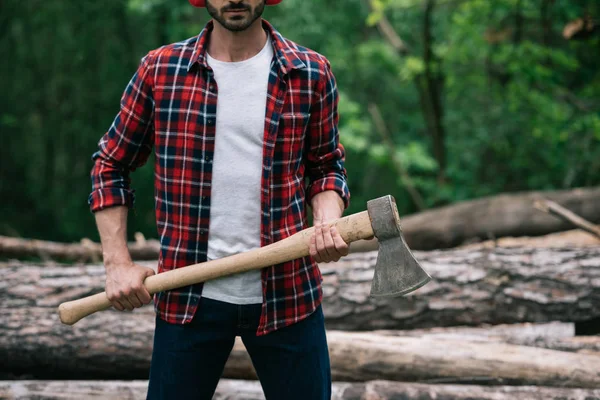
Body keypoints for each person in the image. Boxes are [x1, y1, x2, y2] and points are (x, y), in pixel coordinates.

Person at [88, 0, 350, 398]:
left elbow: (327, 167)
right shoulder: (161, 70)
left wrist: (327, 222)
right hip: (188, 296)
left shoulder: (310, 71)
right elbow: (110, 164)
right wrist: (117, 263)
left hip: (287, 296)